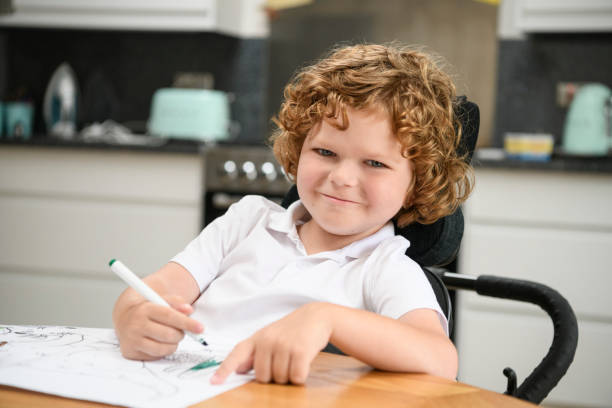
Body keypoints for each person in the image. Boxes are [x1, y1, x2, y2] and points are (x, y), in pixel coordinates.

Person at [112, 43, 473, 386]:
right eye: (326, 152)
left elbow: (440, 359)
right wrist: (131, 318)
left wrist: (326, 318)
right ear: (299, 150)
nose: (342, 178)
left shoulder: (385, 268)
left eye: (375, 163)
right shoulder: (246, 221)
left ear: (415, 183)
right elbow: (148, 292)